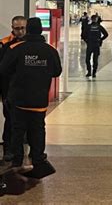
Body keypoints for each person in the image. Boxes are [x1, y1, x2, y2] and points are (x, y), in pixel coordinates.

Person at [0, 17, 62, 178]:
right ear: (41, 30)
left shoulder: (16, 48)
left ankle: (17, 162)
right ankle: (38, 160)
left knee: (17, 130)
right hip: (39, 100)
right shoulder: (50, 50)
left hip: (19, 100)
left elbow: (3, 69)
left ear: (28, 30)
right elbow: (57, 71)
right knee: (38, 130)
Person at [0, 16, 27, 161]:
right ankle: (8, 150)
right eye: (17, 28)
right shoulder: (5, 45)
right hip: (9, 91)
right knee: (10, 120)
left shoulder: (32, 44)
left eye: (23, 28)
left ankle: (21, 151)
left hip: (27, 91)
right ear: (12, 28)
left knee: (26, 122)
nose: (21, 31)